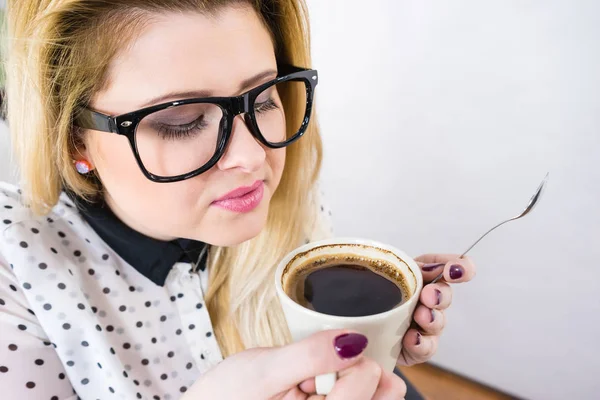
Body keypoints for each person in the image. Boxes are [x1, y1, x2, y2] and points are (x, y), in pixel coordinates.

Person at [0, 0, 476, 399]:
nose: (253, 156)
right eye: (183, 120)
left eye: (264, 98)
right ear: (73, 141)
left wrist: (373, 354)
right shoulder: (16, 272)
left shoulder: (284, 200)